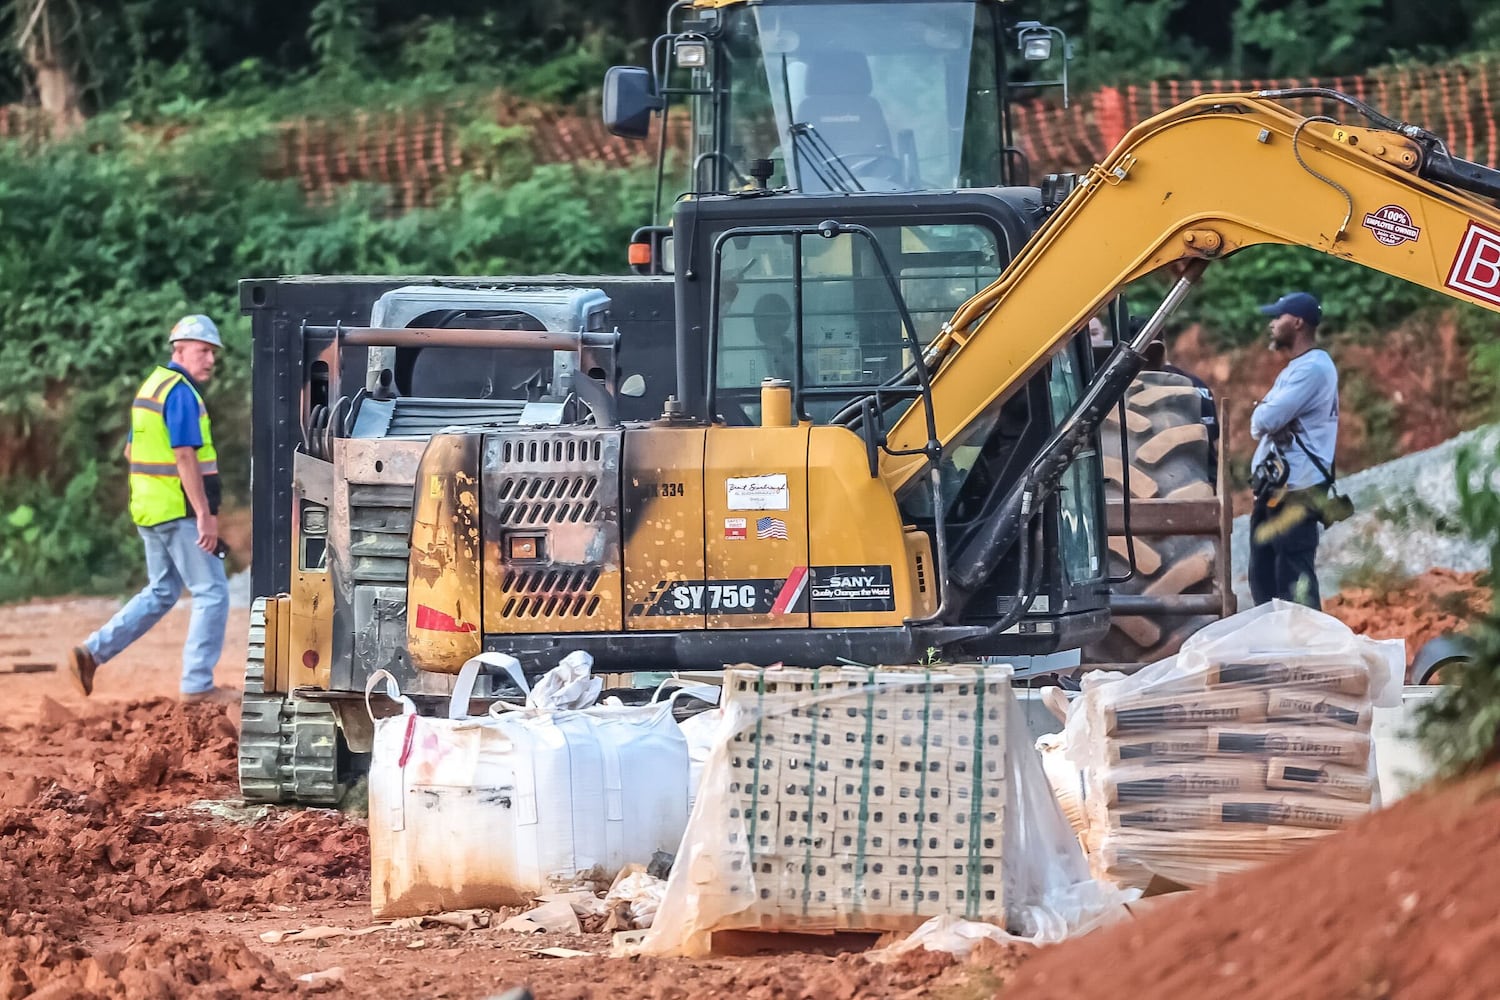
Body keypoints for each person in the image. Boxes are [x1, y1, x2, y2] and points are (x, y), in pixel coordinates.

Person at [68, 315, 233, 702]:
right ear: (180, 350)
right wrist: (205, 515)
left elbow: (131, 450)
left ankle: (92, 652)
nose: (210, 360)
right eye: (203, 351)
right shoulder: (180, 393)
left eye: (212, 353)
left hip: (149, 510)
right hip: (178, 512)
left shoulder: (152, 388)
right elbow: (184, 456)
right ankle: (197, 686)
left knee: (162, 591)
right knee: (212, 592)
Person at [1247, 291, 1339, 610]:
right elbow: (1263, 422)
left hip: (1297, 489)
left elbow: (1263, 419)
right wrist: (1268, 418)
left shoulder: (1311, 369)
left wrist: (1268, 415)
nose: (1272, 324)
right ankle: (1280, 646)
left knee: (1293, 575)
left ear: (1297, 322)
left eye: (1278, 317)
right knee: (1264, 574)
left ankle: (1307, 649)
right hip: (1279, 487)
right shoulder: (1297, 368)